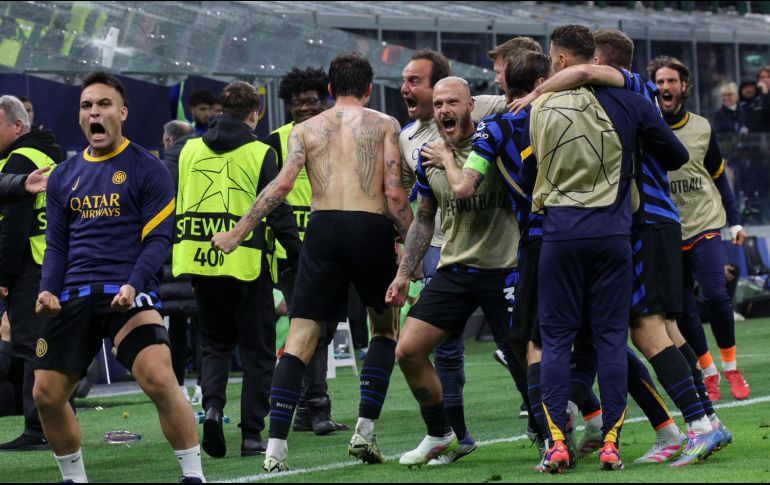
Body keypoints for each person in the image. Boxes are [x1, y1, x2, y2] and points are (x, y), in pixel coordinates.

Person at [513, 28, 731, 466]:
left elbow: (529, 171)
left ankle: (696, 424)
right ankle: (700, 421)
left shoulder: (618, 95)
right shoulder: (637, 97)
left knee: (642, 328)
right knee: (661, 327)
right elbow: (673, 154)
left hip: (636, 223)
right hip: (651, 223)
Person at [212, 52, 413, 473]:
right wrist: (412, 245)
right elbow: (394, 194)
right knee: (384, 329)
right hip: (368, 226)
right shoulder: (385, 124)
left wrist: (236, 233)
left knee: (300, 340)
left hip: (321, 230)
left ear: (328, 90)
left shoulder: (304, 129)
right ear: (370, 88)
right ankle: (363, 431)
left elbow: (281, 186)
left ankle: (275, 451)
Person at [33, 71, 204, 483]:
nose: (95, 112)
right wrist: (46, 291)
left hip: (128, 293)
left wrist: (134, 283)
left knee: (159, 377)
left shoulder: (149, 168)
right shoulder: (62, 176)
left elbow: (158, 239)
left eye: (104, 104)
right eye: (87, 106)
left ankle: (194, 475)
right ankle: (74, 479)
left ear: (122, 113)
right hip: (73, 295)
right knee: (45, 394)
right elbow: (56, 244)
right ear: (80, 117)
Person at [398, 48, 531, 465]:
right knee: (409, 351)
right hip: (454, 267)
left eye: (452, 102)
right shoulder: (427, 156)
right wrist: (404, 273)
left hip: (503, 267)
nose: (444, 110)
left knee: (523, 356)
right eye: (438, 105)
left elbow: (465, 187)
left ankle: (550, 431)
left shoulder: (494, 138)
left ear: (471, 105)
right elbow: (423, 219)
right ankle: (441, 433)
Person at [174, 81, 301, 459]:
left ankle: (212, 408)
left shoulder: (188, 149)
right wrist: (299, 254)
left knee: (214, 345)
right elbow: (275, 208)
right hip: (247, 265)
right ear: (255, 114)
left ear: (219, 110)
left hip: (200, 263)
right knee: (258, 353)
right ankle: (251, 435)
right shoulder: (260, 152)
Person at [649, 56, 751, 402]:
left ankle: (731, 366)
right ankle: (707, 372)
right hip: (667, 230)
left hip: (705, 223)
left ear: (684, 87)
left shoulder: (702, 128)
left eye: (671, 81)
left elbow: (720, 178)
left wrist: (735, 219)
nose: (666, 87)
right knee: (682, 308)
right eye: (660, 82)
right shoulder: (647, 127)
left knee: (716, 295)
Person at [262, 66, 347, 436]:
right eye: (296, 103)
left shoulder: (340, 135)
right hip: (292, 251)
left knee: (325, 329)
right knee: (309, 326)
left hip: (332, 245)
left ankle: (303, 407)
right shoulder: (274, 142)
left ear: (324, 100)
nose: (302, 108)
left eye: (310, 101)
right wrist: (292, 247)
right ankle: (316, 408)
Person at [0, 95, 61, 452]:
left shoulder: (20, 159)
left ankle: (37, 428)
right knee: (45, 346)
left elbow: (12, 225)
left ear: (17, 126)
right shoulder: (48, 153)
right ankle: (56, 419)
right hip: (50, 262)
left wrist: (3, 275)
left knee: (28, 348)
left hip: (29, 267)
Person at [159, 120, 199, 403]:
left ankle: (178, 385)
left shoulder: (160, 169)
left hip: (169, 255)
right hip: (201, 251)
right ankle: (206, 386)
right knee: (202, 323)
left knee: (175, 324)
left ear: (168, 141)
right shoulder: (204, 160)